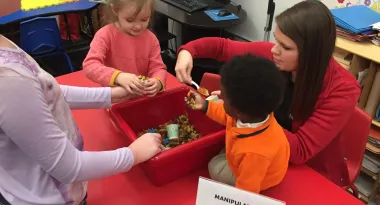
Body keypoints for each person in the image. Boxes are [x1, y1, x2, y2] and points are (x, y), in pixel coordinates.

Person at [175, 0, 361, 186]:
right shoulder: (275, 57)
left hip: (308, 173)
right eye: (276, 40)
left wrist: (248, 107)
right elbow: (223, 47)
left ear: (311, 54)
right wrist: (188, 52)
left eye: (286, 47)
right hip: (260, 146)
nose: (274, 50)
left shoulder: (343, 91)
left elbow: (300, 150)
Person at [0, 2, 162, 205]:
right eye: (130, 19)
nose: (138, 25)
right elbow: (69, 167)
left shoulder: (4, 50)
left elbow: (46, 91)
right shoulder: (7, 78)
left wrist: (109, 95)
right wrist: (133, 155)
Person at [185, 54, 290, 193]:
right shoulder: (254, 114)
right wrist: (205, 105)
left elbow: (246, 191)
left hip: (261, 177)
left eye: (223, 95)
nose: (220, 96)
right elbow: (225, 114)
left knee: (213, 166)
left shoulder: (253, 154)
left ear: (238, 111)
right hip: (256, 159)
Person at [83, 0, 166, 98]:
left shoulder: (151, 39)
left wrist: (157, 82)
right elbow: (90, 65)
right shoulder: (105, 35)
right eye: (130, 20)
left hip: (142, 99)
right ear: (115, 10)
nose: (138, 26)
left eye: (144, 19)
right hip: (114, 100)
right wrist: (118, 77)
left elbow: (158, 67)